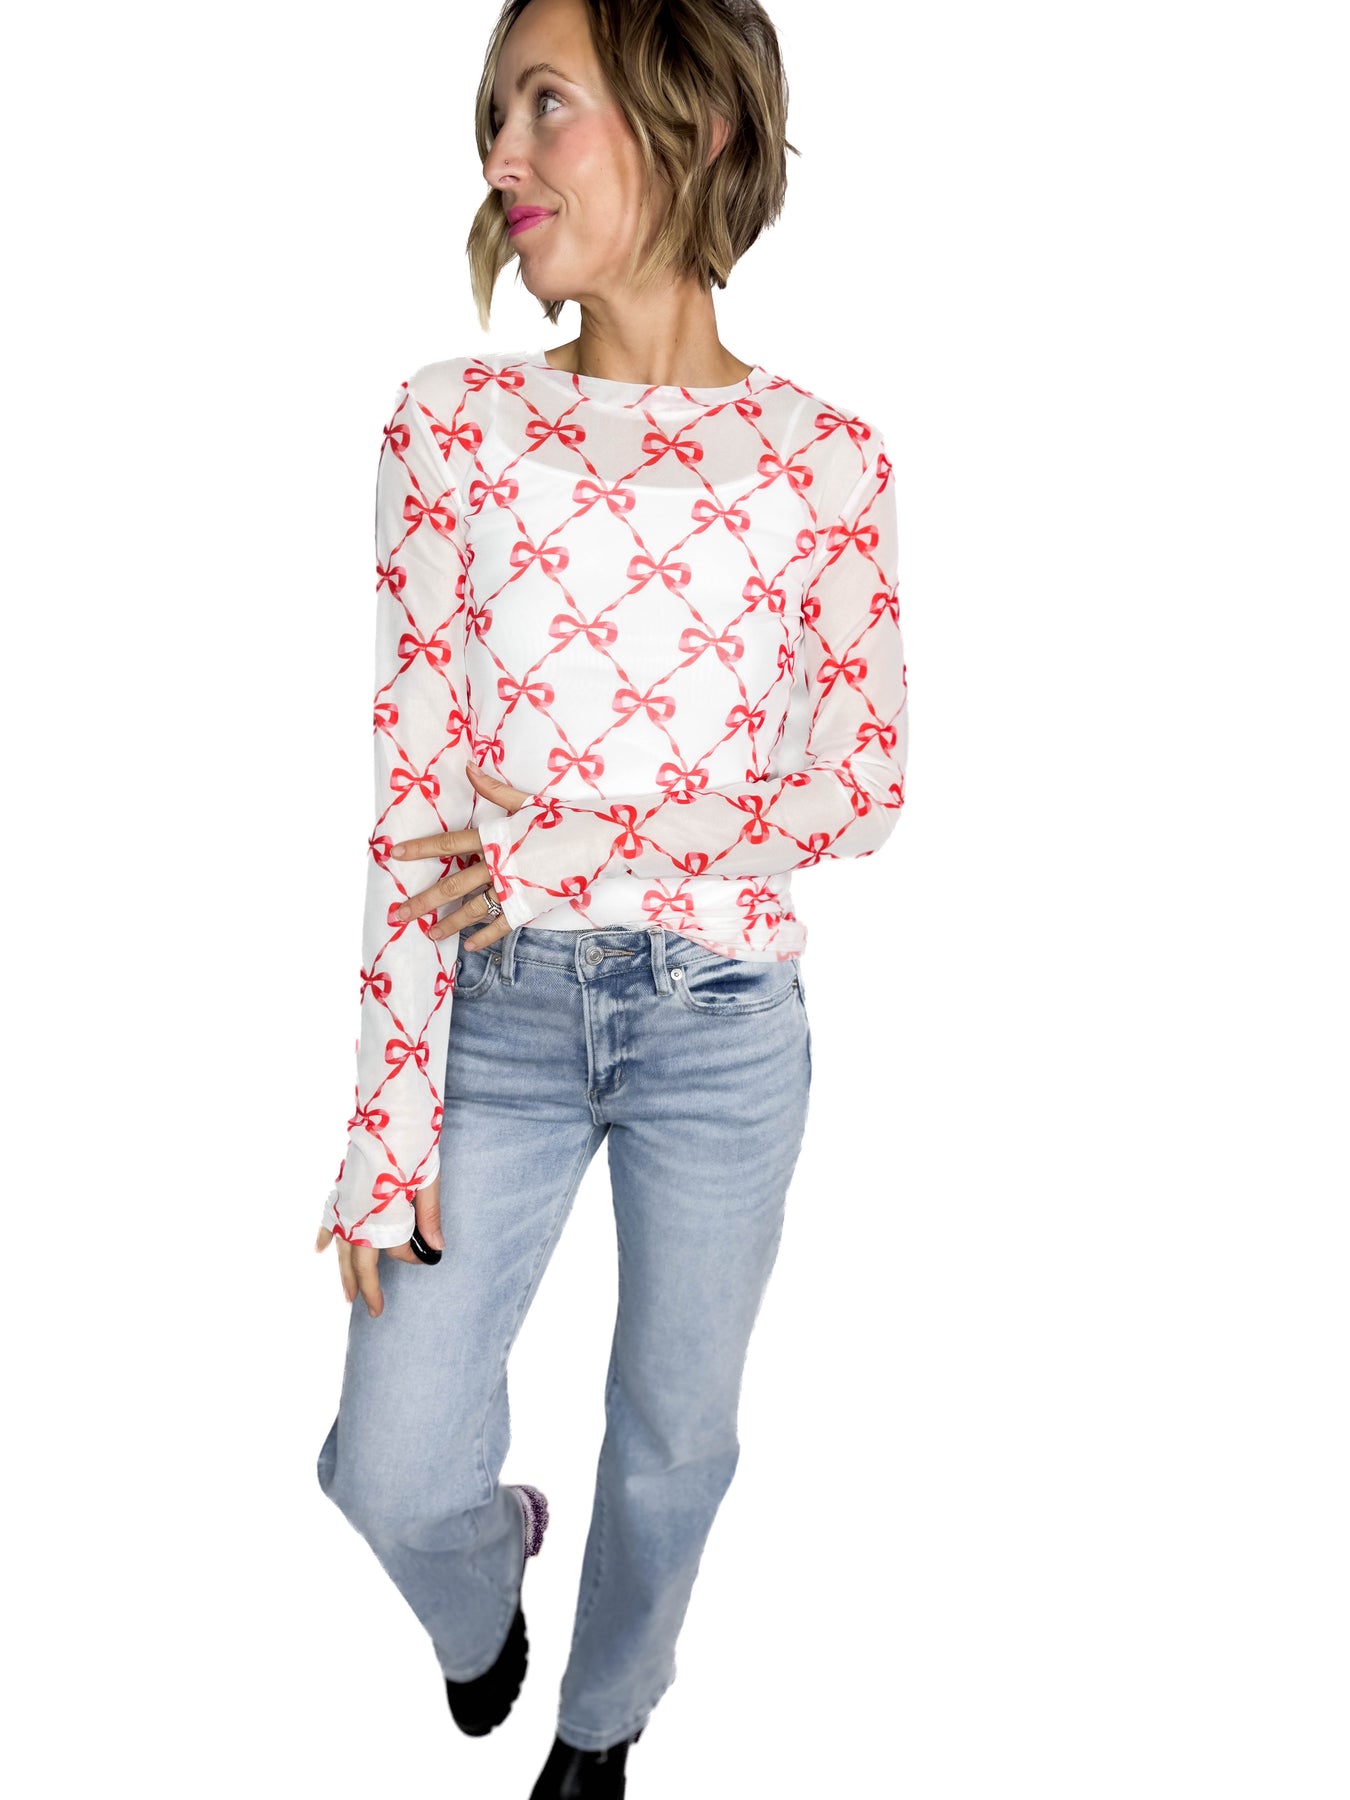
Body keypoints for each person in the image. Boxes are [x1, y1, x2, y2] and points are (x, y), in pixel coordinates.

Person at [313, 0, 908, 1791]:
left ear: (692, 126)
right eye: (495, 114)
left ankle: (602, 1719)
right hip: (490, 1017)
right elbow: (416, 806)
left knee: (672, 1437)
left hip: (720, 1033)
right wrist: (381, 1127)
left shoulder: (823, 463)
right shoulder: (452, 427)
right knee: (384, 1465)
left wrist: (566, 845)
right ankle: (483, 1581)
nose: (501, 155)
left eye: (544, 105)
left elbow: (861, 789)